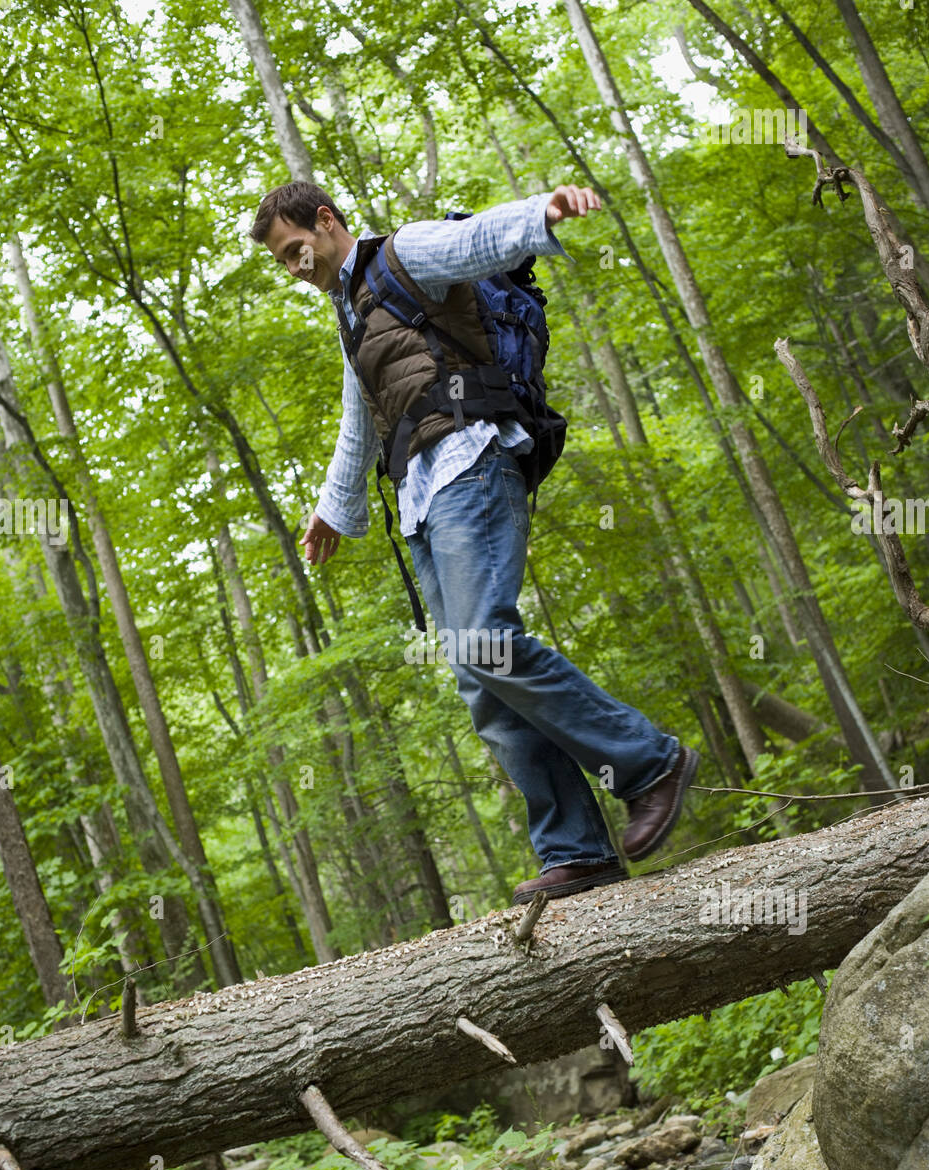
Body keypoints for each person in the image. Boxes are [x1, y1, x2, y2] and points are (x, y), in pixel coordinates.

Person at [250, 179, 698, 906]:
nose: (295, 268)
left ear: (327, 222)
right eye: (283, 263)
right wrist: (335, 507)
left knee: (487, 639)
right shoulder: (350, 316)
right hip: (421, 498)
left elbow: (474, 241)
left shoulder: (402, 254)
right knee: (477, 677)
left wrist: (541, 214)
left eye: (297, 250)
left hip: (474, 460)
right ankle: (578, 852)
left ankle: (648, 765)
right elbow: (358, 419)